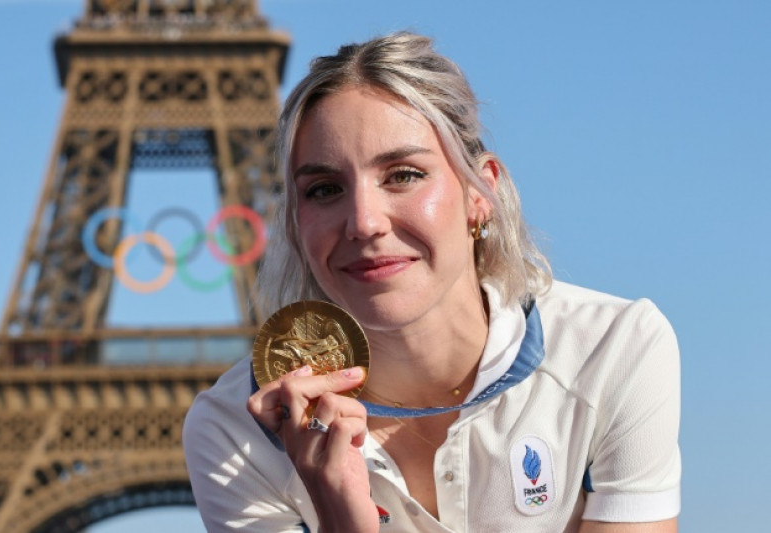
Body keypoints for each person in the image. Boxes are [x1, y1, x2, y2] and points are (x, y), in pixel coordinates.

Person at [184, 32, 680, 532]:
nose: (364, 221)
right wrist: (342, 518)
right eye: (325, 189)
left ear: (479, 192)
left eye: (402, 175)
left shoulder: (613, 350)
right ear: (295, 222)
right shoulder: (233, 432)